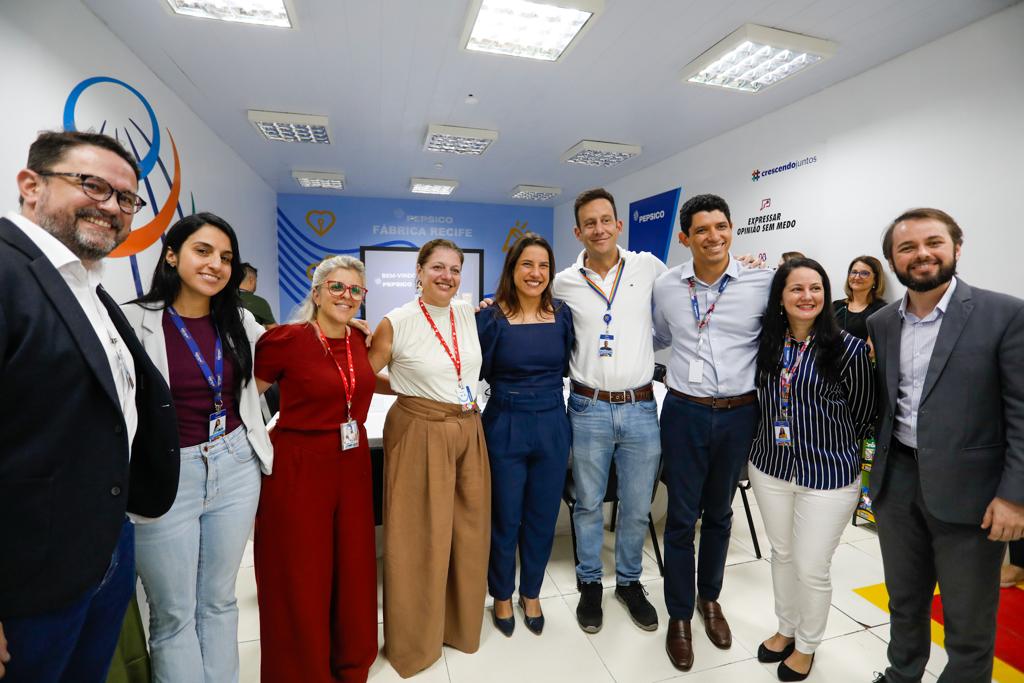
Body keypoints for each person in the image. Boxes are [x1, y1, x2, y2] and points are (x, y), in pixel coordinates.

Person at [0, 130, 179, 682]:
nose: (113, 208)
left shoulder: (87, 286)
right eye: (92, 186)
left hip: (101, 549)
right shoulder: (9, 275)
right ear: (31, 186)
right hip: (27, 578)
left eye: (126, 199)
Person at [867, 208, 1024, 683]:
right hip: (897, 484)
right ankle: (901, 675)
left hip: (973, 494)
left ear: (957, 247)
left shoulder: (1005, 314)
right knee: (905, 601)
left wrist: (1014, 495)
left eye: (933, 242)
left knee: (968, 617)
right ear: (892, 260)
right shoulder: (881, 322)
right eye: (907, 247)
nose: (921, 255)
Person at [122, 212, 272, 683]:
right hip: (168, 475)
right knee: (174, 613)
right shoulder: (131, 320)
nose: (216, 265)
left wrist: (351, 332)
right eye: (203, 251)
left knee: (220, 599)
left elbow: (289, 354)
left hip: (234, 464)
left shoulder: (239, 320)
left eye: (226, 257)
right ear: (172, 255)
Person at [652, 193, 775, 671]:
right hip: (683, 410)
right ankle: (679, 615)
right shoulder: (665, 286)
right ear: (685, 238)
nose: (713, 236)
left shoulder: (760, 283)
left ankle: (711, 601)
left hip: (738, 414)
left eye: (721, 226)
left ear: (732, 228)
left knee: (720, 515)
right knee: (681, 519)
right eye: (701, 230)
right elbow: (659, 336)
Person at [253, 255, 383, 682]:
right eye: (337, 287)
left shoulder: (359, 340)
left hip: (351, 464)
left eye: (355, 290)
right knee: (302, 572)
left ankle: (348, 659)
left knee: (353, 565)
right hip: (299, 465)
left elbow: (366, 384)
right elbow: (246, 398)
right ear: (317, 293)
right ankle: (303, 669)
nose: (347, 296)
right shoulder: (285, 340)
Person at [748, 258, 876, 682]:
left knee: (811, 565)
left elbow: (862, 415)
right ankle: (786, 629)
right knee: (782, 554)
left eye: (815, 289)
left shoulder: (849, 348)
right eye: (796, 289)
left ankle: (807, 645)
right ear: (780, 298)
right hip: (770, 466)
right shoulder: (765, 344)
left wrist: (824, 443)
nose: (807, 297)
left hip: (828, 474)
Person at [367, 239, 489, 678]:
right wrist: (404, 386)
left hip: (468, 428)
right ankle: (414, 643)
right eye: (438, 267)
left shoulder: (464, 312)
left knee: (468, 532)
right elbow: (363, 375)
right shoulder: (396, 321)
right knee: (420, 538)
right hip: (420, 431)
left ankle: (458, 627)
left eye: (455, 269)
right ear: (418, 271)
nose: (447, 277)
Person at [553, 188, 665, 635]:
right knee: (586, 504)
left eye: (606, 220)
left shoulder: (648, 268)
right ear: (578, 231)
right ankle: (589, 583)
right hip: (587, 406)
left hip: (640, 406)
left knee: (637, 505)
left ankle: (631, 582)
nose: (599, 229)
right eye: (589, 223)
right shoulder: (563, 282)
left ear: (619, 225)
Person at [476, 233, 574, 637]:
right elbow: (472, 370)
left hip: (552, 420)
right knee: (505, 517)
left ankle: (530, 592)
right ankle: (501, 593)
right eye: (527, 265)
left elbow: (570, 362)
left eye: (543, 266)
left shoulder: (563, 313)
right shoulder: (490, 317)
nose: (536, 274)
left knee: (542, 516)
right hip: (505, 422)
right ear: (512, 270)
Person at [832, 255, 887, 340]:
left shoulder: (881, 311)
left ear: (875, 280)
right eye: (854, 272)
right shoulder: (836, 306)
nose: (857, 277)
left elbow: (872, 351)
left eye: (864, 273)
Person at [238, 262, 277, 329]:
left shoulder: (223, 299)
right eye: (256, 280)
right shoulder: (259, 302)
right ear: (251, 280)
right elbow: (274, 330)